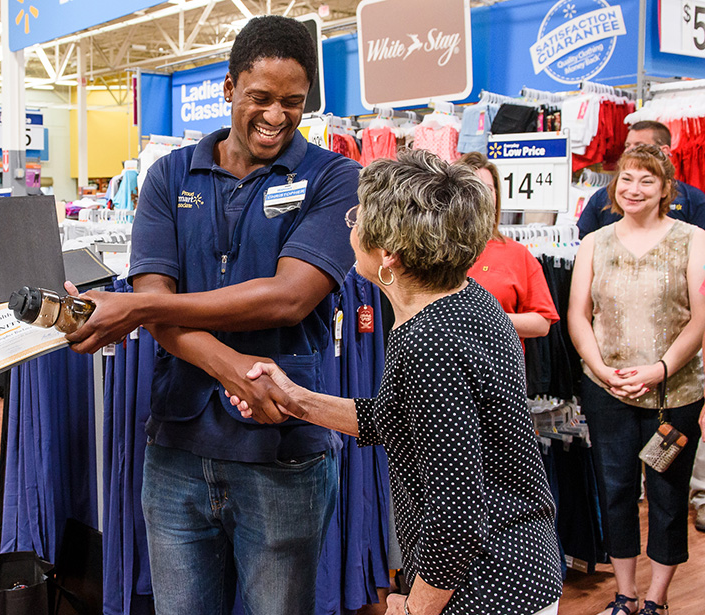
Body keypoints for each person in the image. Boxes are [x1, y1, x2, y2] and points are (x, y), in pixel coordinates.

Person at [63, 15, 359, 614]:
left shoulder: (335, 178)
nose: (276, 116)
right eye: (261, 98)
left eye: (293, 103)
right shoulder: (169, 175)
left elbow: (289, 296)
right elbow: (159, 306)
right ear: (228, 88)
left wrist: (140, 306)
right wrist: (230, 365)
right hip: (176, 451)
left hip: (283, 454)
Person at [227, 151, 563, 615]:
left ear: (389, 255)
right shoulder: (471, 301)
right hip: (519, 568)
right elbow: (400, 420)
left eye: (356, 218)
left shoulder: (428, 342)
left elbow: (459, 516)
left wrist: (417, 607)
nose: (349, 227)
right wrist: (297, 400)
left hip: (486, 590)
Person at [568, 144, 705, 615]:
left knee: (667, 494)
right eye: (627, 178)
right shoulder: (594, 243)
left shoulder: (693, 239)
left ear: (667, 188)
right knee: (616, 488)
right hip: (607, 390)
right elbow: (578, 316)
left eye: (647, 180)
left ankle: (657, 597)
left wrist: (660, 369)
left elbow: (699, 319)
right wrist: (602, 370)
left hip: (674, 393)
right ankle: (625, 594)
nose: (634, 189)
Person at [458, 151, 558, 341]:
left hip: (499, 366)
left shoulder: (516, 254)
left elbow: (542, 322)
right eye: (471, 188)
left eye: (488, 189)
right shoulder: (435, 251)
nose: (481, 197)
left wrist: (488, 318)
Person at [576, 120, 705, 239]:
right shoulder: (602, 197)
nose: (629, 150)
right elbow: (582, 240)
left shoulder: (693, 199)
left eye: (640, 145)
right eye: (627, 145)